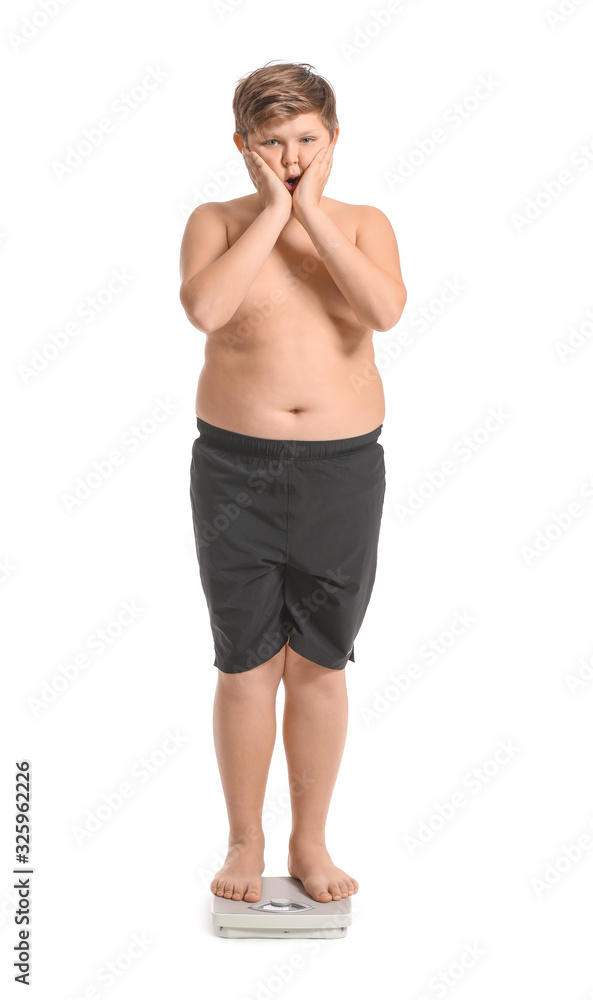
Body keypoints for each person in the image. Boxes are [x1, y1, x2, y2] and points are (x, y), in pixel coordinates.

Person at [179, 61, 406, 906]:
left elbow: (382, 312)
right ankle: (245, 840)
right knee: (245, 663)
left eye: (307, 140)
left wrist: (310, 211)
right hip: (236, 466)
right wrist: (274, 211)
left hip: (341, 471)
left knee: (318, 661)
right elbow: (206, 311)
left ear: (333, 139)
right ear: (243, 147)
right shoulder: (217, 221)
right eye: (272, 144)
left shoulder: (363, 223)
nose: (292, 156)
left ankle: (310, 841)